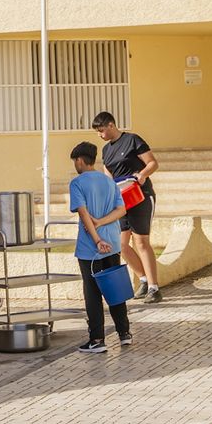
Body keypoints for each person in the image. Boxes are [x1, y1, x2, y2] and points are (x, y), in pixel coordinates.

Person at [68, 141, 130, 354]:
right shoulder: (109, 181)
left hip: (90, 249)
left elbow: (84, 214)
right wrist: (102, 223)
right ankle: (124, 333)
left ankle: (97, 340)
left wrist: (96, 240)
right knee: (115, 289)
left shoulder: (77, 183)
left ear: (79, 160)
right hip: (112, 243)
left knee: (93, 293)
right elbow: (121, 210)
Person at [93, 111, 162, 303]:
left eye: (101, 130)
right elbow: (108, 176)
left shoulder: (132, 140)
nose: (99, 135)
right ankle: (144, 280)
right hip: (121, 201)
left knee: (141, 242)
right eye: (97, 132)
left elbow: (152, 163)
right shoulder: (106, 150)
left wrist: (143, 174)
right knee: (120, 244)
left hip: (140, 196)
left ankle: (155, 288)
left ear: (111, 125)